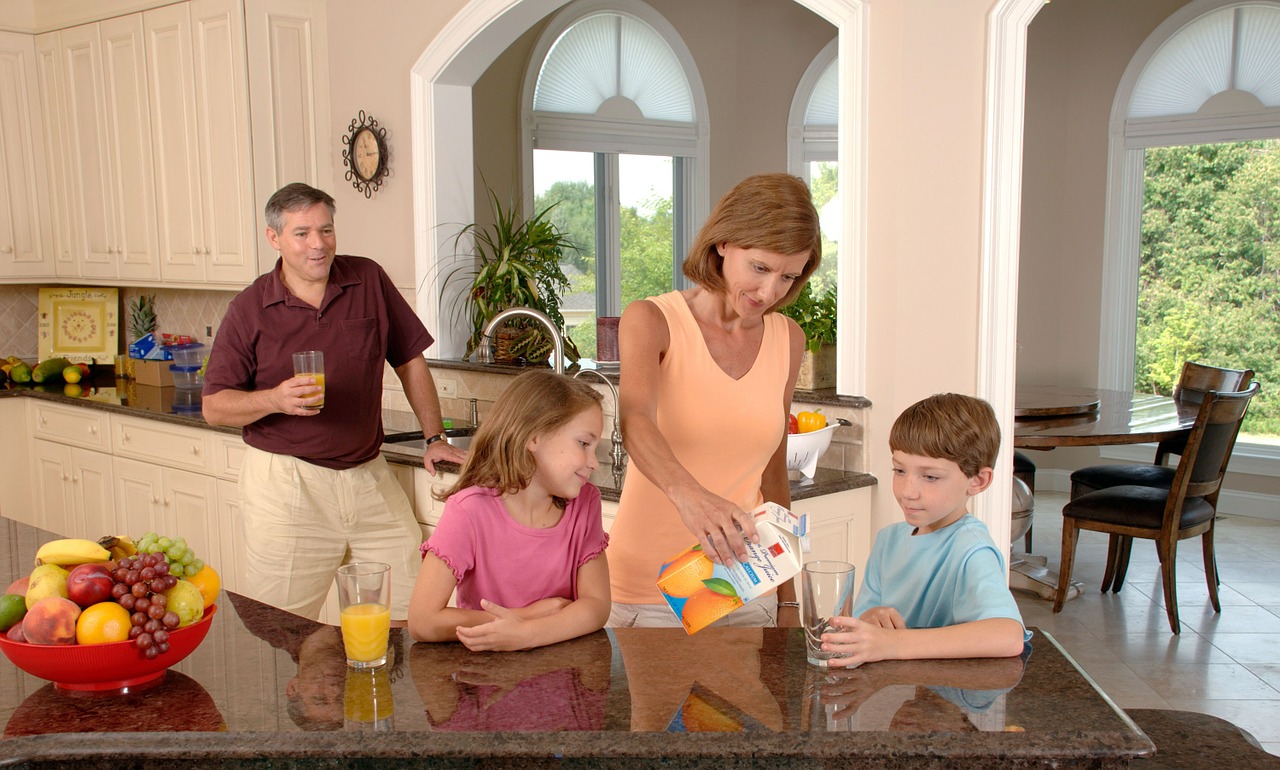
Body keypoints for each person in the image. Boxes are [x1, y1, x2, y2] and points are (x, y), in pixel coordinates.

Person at [203, 182, 466, 622]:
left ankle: (384, 693)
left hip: (369, 477)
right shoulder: (250, 307)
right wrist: (275, 399)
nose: (318, 244)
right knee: (280, 626)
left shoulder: (367, 279)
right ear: (275, 238)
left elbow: (410, 361)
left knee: (410, 612)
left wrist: (434, 436)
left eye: (326, 230)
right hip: (287, 486)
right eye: (302, 233)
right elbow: (214, 407)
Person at [607, 173, 823, 629]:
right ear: (723, 243)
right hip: (648, 590)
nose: (769, 293)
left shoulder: (789, 340)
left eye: (788, 276)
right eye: (760, 268)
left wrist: (787, 599)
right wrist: (691, 497)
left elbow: (773, 472)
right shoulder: (652, 320)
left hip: (743, 584)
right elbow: (636, 422)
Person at [408, 370, 611, 651]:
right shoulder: (470, 512)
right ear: (534, 437)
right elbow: (422, 621)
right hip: (486, 683)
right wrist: (523, 618)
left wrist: (527, 633)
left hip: (563, 681)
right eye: (584, 444)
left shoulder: (586, 504)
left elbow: (597, 606)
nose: (594, 462)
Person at [820, 394, 1029, 666]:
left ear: (977, 481)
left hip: (950, 697)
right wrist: (869, 620)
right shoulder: (888, 541)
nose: (908, 492)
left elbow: (1008, 635)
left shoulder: (971, 547)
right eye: (899, 470)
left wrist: (892, 643)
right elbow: (859, 622)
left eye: (930, 477)